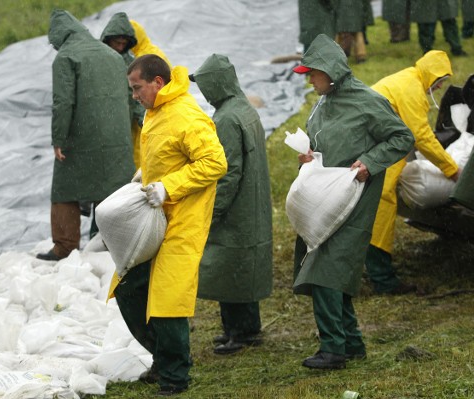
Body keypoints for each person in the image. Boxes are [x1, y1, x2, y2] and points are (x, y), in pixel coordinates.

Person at [292, 34, 414, 369]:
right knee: (327, 265)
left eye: (312, 74)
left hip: (353, 199)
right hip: (323, 195)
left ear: (329, 71)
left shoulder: (367, 101)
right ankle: (351, 342)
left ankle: (333, 349)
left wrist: (369, 163)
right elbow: (322, 139)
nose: (309, 81)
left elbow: (402, 137)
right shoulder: (323, 100)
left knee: (326, 270)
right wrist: (309, 156)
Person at [112, 54, 227, 395]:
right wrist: (144, 176)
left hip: (182, 220)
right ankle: (162, 356)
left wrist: (168, 187)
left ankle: (175, 375)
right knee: (129, 288)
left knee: (167, 299)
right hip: (155, 218)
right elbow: (164, 155)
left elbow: (215, 161)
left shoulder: (185, 116)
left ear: (157, 83)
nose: (134, 95)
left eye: (137, 88)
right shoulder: (155, 112)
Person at [191, 54, 273, 355]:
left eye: (206, 86)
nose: (204, 93)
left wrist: (213, 210)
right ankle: (245, 328)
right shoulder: (245, 109)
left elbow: (227, 172)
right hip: (252, 202)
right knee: (243, 267)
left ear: (217, 84)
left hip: (235, 207)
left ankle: (239, 332)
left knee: (230, 268)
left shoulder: (226, 118)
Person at [37, 9, 134, 261]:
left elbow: (63, 102)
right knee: (111, 189)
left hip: (81, 137)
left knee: (64, 191)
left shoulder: (66, 57)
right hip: (117, 139)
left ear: (59, 36)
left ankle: (64, 247)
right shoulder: (114, 56)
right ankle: (113, 245)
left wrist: (58, 138)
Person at [366, 50, 460, 295]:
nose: (440, 87)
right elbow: (422, 137)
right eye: (439, 81)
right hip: (372, 144)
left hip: (372, 140)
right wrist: (451, 169)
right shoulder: (412, 88)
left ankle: (368, 265)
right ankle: (382, 277)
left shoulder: (408, 78)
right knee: (382, 199)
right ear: (430, 75)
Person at [100, 12, 145, 170]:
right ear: (108, 39)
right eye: (116, 42)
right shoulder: (98, 59)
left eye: (123, 43)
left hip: (123, 121)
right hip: (101, 120)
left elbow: (138, 95)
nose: (120, 47)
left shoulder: (131, 62)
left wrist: (144, 121)